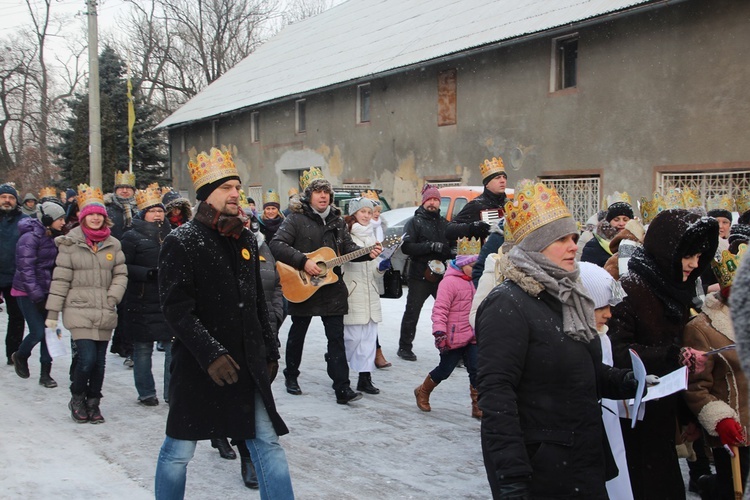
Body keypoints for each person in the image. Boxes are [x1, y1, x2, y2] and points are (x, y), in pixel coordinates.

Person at [475, 180, 641, 499]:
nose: (573, 246)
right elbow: (497, 396)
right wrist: (511, 477)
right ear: (536, 245)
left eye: (574, 238)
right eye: (561, 239)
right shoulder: (507, 303)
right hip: (542, 470)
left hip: (581, 458)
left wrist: (627, 381)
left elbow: (579, 371)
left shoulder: (567, 295)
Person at [155, 147, 293, 499]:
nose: (235, 193)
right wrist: (211, 353)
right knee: (179, 452)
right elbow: (176, 310)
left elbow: (258, 300)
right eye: (226, 188)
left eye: (237, 186)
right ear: (206, 195)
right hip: (201, 366)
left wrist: (269, 347)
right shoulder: (181, 241)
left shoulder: (246, 239)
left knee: (267, 443)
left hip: (246, 366)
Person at [608, 208, 719, 500]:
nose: (694, 265)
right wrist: (672, 355)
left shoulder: (675, 292)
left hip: (663, 419)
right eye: (688, 256)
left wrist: (687, 419)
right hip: (633, 419)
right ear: (666, 250)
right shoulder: (630, 290)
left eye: (698, 257)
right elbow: (618, 352)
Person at [269, 167, 381, 404]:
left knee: (336, 339)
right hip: (304, 288)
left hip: (331, 288)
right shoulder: (295, 220)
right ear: (309, 195)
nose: (323, 196)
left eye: (326, 192)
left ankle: (342, 387)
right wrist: (303, 261)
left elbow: (348, 249)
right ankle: (291, 375)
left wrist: (367, 254)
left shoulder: (338, 221)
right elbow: (277, 245)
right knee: (298, 334)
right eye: (318, 192)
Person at [45, 184, 128, 424]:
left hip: (104, 309)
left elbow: (120, 274)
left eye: (99, 214)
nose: (94, 218)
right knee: (87, 359)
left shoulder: (113, 244)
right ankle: (78, 397)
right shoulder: (70, 244)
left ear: (105, 218)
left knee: (100, 364)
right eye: (90, 214)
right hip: (78, 308)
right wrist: (52, 312)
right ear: (83, 217)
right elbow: (60, 279)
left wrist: (113, 296)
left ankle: (94, 402)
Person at [683, 245, 749, 500]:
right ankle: (708, 485)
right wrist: (720, 418)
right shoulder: (702, 328)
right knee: (732, 490)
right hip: (734, 428)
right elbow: (695, 385)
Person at [579, 261, 637, 500]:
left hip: (607, 427)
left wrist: (627, 381)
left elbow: (602, 373)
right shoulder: (574, 342)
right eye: (600, 307)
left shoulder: (601, 336)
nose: (609, 314)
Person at [415, 237, 481, 418]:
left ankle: (477, 406)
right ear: (462, 264)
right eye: (473, 266)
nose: (476, 270)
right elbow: (440, 309)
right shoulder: (449, 282)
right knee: (445, 370)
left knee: (476, 370)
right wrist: (439, 333)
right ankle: (423, 391)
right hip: (453, 337)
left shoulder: (475, 282)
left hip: (472, 335)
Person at [120, 184, 173, 406]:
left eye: (160, 210)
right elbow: (123, 266)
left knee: (173, 348)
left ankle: (172, 392)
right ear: (144, 213)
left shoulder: (171, 234)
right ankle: (146, 392)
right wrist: (147, 273)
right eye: (153, 210)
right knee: (143, 349)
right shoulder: (131, 237)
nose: (157, 214)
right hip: (141, 299)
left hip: (168, 299)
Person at [10, 201, 66, 387]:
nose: (63, 222)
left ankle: (45, 373)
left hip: (47, 291)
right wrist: (36, 296)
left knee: (50, 331)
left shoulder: (53, 236)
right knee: (37, 331)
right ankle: (20, 355)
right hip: (26, 292)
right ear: (48, 219)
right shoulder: (30, 238)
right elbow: (26, 269)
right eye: (60, 219)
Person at [396, 184, 451, 361]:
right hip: (419, 274)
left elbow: (451, 248)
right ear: (424, 201)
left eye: (436, 200)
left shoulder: (445, 224)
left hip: (441, 275)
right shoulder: (414, 222)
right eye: (430, 199)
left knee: (447, 313)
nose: (433, 203)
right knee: (413, 312)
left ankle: (452, 349)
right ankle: (404, 347)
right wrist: (430, 246)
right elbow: (406, 247)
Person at [342, 197, 384, 395]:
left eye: (369, 212)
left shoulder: (371, 238)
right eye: (363, 212)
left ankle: (364, 378)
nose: (367, 216)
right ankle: (337, 363)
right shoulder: (346, 236)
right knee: (352, 338)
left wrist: (382, 267)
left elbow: (374, 271)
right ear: (355, 214)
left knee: (368, 338)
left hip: (370, 295)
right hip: (353, 293)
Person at [107, 171, 138, 364]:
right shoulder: (108, 209)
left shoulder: (139, 208)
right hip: (111, 262)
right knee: (117, 306)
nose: (125, 191)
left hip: (133, 263)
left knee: (129, 307)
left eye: (128, 188)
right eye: (121, 188)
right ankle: (119, 342)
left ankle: (127, 346)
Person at [445, 157, 508, 244]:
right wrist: (471, 228)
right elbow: (449, 230)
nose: (502, 181)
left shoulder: (509, 205)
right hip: (487, 255)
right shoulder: (476, 205)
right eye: (497, 178)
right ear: (487, 184)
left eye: (504, 177)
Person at [0, 183, 28, 365]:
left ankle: (13, 353)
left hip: (14, 276)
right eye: (3, 197)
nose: (7, 201)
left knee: (17, 316)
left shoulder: (23, 220)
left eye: (10, 197)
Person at [581, 201, 634, 267]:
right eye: (616, 220)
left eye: (625, 220)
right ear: (608, 222)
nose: (621, 223)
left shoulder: (639, 243)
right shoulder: (594, 245)